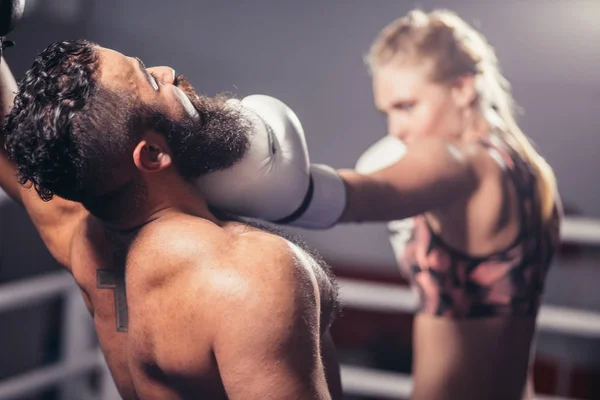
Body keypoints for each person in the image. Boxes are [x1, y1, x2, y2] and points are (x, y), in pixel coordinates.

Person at [193, 9, 563, 400]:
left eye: (407, 106)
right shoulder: (531, 172)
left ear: (462, 89)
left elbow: (368, 193)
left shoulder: (459, 161)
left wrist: (271, 189)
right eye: (387, 112)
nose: (396, 129)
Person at [0, 39, 343, 400]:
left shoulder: (86, 246)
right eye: (151, 81)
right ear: (152, 154)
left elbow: (14, 135)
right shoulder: (248, 272)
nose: (166, 72)